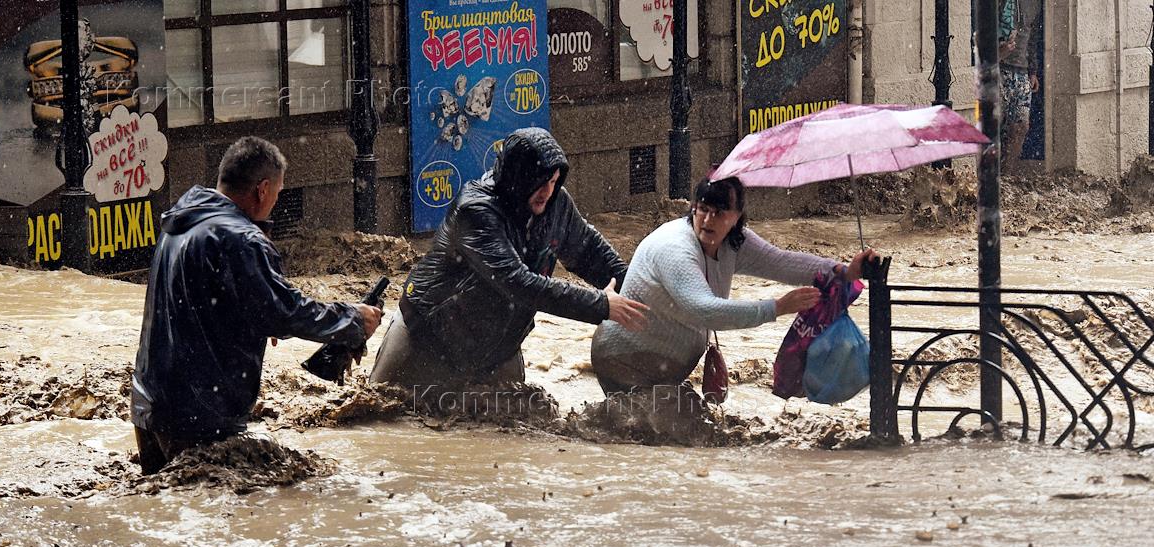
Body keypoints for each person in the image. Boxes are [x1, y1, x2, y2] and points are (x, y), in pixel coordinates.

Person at [131, 136, 383, 474]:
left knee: (167, 502)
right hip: (199, 415)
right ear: (263, 190)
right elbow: (284, 312)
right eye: (277, 193)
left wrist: (257, 312)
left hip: (149, 405)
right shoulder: (240, 239)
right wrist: (352, 319)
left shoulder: (183, 221)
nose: (275, 202)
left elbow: (204, 302)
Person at [370, 127, 647, 391]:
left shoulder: (557, 205)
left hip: (497, 351)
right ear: (517, 177)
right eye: (539, 182)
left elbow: (590, 253)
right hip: (425, 341)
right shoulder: (476, 210)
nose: (547, 192)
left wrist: (643, 295)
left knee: (516, 422)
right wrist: (601, 305)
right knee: (384, 415)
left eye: (553, 181)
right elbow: (518, 283)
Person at [590, 176, 877, 395]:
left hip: (664, 366)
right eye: (702, 209)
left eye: (719, 213)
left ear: (737, 216)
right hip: (625, 361)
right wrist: (776, 307)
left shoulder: (734, 242)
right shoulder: (674, 248)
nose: (708, 220)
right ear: (693, 208)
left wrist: (845, 271)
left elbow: (782, 262)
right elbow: (704, 310)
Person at [1000, 0, 1042, 171]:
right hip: (998, 69)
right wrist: (997, 53)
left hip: (1022, 72)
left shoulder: (1035, 4)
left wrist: (1032, 70)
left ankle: (1007, 172)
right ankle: (990, 174)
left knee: (1021, 126)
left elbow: (1032, 38)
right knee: (995, 124)